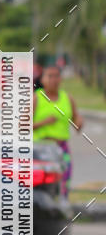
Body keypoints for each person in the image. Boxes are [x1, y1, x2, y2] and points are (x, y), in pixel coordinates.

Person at [33, 65, 83, 196]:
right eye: (49, 76)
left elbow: (76, 122)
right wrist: (44, 122)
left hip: (62, 147)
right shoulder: (36, 98)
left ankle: (62, 205)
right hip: (42, 147)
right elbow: (21, 126)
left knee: (64, 178)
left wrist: (79, 122)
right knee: (44, 183)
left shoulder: (68, 98)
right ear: (42, 79)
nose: (53, 79)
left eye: (57, 76)